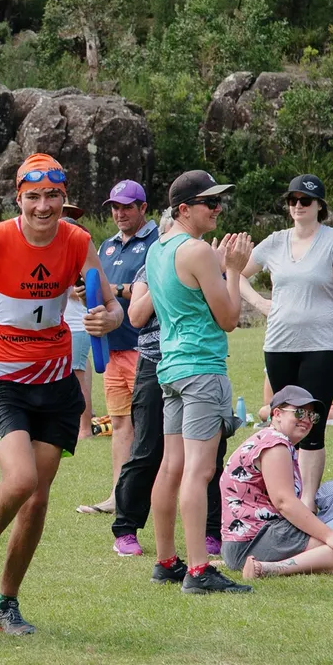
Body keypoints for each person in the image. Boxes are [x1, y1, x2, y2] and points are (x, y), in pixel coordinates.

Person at [0, 153, 123, 634]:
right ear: (19, 199)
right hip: (3, 384)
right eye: (32, 196)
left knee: (37, 499)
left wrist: (106, 318)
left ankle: (6, 605)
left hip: (54, 384)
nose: (42, 206)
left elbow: (114, 305)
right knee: (20, 481)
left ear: (63, 197)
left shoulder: (76, 242)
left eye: (52, 195)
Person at [145, 170, 254, 594]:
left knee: (172, 465)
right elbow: (228, 318)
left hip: (171, 368)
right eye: (210, 202)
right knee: (199, 469)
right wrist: (234, 269)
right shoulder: (197, 252)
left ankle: (166, 561)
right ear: (184, 209)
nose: (218, 209)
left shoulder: (158, 250)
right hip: (202, 368)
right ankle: (197, 570)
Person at [104, 210, 226, 558]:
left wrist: (212, 272)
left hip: (190, 361)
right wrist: (171, 281)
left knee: (208, 454)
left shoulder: (198, 258)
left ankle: (205, 534)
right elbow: (137, 315)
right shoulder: (155, 262)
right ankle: (126, 526)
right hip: (157, 361)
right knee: (147, 448)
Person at [240, 174, 333, 508]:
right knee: (283, 425)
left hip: (323, 345)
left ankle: (306, 502)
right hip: (279, 345)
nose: (297, 207)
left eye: (304, 201)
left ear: (319, 205)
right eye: (291, 201)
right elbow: (235, 274)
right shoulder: (275, 241)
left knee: (311, 424)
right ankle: (282, 497)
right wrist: (260, 303)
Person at [221, 386, 333, 579]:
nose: (307, 420)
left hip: (265, 535)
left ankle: (248, 562)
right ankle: (268, 569)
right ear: (277, 414)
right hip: (254, 540)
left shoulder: (272, 440)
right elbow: (284, 502)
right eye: (299, 412)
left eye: (312, 416)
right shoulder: (274, 445)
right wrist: (329, 536)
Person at [77, 180, 157, 515]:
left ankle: (154, 495)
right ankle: (118, 496)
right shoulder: (106, 246)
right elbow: (103, 293)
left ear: (143, 208)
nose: (119, 213)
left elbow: (153, 290)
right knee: (121, 423)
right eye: (115, 206)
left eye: (127, 206)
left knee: (151, 426)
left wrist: (117, 288)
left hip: (146, 348)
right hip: (112, 348)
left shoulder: (157, 243)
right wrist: (90, 294)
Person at [61, 200, 94, 441]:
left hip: (77, 325)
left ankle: (84, 428)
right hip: (64, 325)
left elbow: (81, 291)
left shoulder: (81, 259)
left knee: (78, 376)